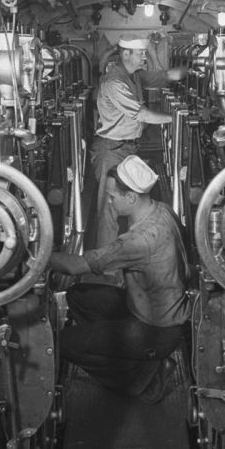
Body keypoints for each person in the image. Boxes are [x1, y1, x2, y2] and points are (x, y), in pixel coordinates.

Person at [49, 155, 190, 404]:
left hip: (156, 329)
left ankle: (142, 380)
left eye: (112, 197)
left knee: (65, 343)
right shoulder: (162, 210)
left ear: (132, 197)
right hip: (159, 309)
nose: (109, 202)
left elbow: (76, 266)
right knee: (77, 296)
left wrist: (37, 256)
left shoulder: (140, 240)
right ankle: (129, 354)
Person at [91, 35, 186, 250]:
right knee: (109, 208)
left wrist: (190, 68)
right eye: (141, 53)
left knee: (131, 202)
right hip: (111, 150)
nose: (144, 57)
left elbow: (166, 76)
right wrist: (176, 117)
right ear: (126, 54)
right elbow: (142, 114)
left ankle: (131, 254)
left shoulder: (133, 76)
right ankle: (106, 263)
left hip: (128, 147)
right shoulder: (115, 82)